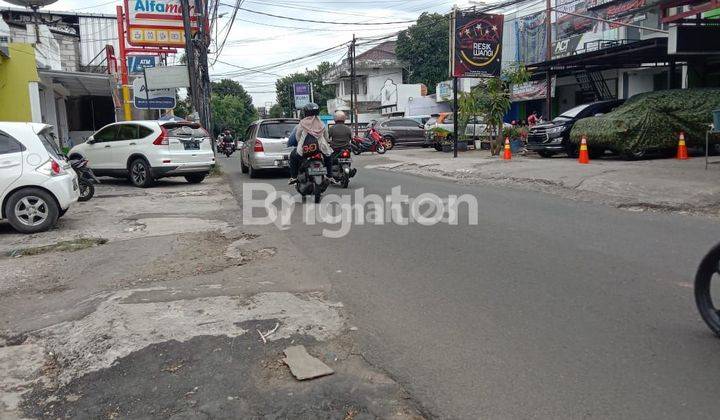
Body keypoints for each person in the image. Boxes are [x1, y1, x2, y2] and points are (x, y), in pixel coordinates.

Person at [287, 102, 333, 185]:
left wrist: (300, 143)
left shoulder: (302, 123)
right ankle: (330, 176)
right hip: (320, 148)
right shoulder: (321, 123)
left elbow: (298, 136)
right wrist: (326, 142)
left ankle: (293, 177)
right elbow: (326, 137)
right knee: (328, 158)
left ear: (305, 112)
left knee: (293, 156)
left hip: (305, 149)